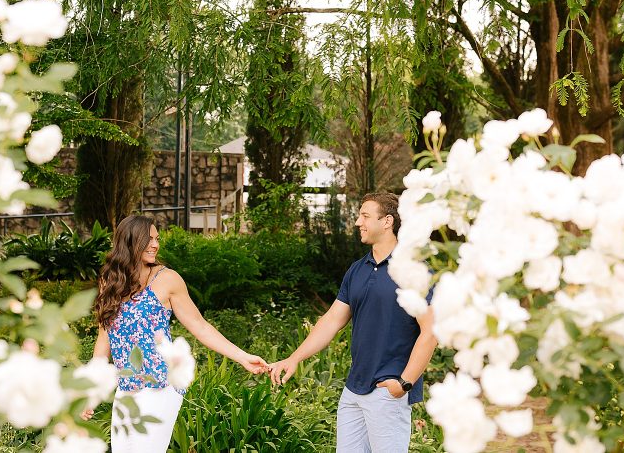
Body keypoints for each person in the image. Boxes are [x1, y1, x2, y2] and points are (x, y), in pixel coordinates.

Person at [83, 214, 268, 452]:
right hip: (126, 388)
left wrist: (242, 356)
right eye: (147, 239)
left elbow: (200, 326)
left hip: (160, 386)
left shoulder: (167, 279)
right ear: (129, 241)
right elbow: (103, 341)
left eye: (157, 238)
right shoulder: (110, 281)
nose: (155, 245)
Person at [269, 192, 437, 453]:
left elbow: (430, 332)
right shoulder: (357, 269)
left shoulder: (413, 271)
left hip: (388, 390)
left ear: (387, 222)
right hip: (354, 391)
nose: (358, 222)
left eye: (365, 216)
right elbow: (331, 320)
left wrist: (404, 383)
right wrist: (294, 358)